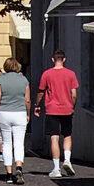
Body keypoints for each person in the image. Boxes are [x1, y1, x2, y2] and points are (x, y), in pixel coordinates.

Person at [35, 48, 79, 177]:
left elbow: (41, 92)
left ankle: (56, 169)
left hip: (52, 109)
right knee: (67, 135)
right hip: (67, 108)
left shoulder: (47, 74)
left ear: (53, 59)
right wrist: (72, 105)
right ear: (64, 59)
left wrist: (37, 105)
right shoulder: (71, 74)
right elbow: (74, 94)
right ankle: (67, 160)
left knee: (54, 137)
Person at [0, 57, 31, 184]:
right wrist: (28, 113)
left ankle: (8, 174)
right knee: (19, 143)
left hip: (4, 113)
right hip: (20, 113)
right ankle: (19, 167)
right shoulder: (24, 80)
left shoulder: (1, 79)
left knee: (7, 143)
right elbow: (27, 100)